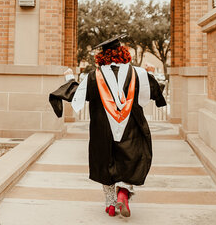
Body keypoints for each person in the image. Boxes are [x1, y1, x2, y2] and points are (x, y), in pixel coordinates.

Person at [49, 34, 167, 218]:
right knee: (131, 159)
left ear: (102, 57)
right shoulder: (139, 73)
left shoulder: (93, 77)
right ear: (123, 53)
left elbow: (76, 94)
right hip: (132, 127)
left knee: (106, 162)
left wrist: (69, 79)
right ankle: (123, 193)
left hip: (102, 128)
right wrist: (150, 75)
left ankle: (111, 205)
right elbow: (154, 92)